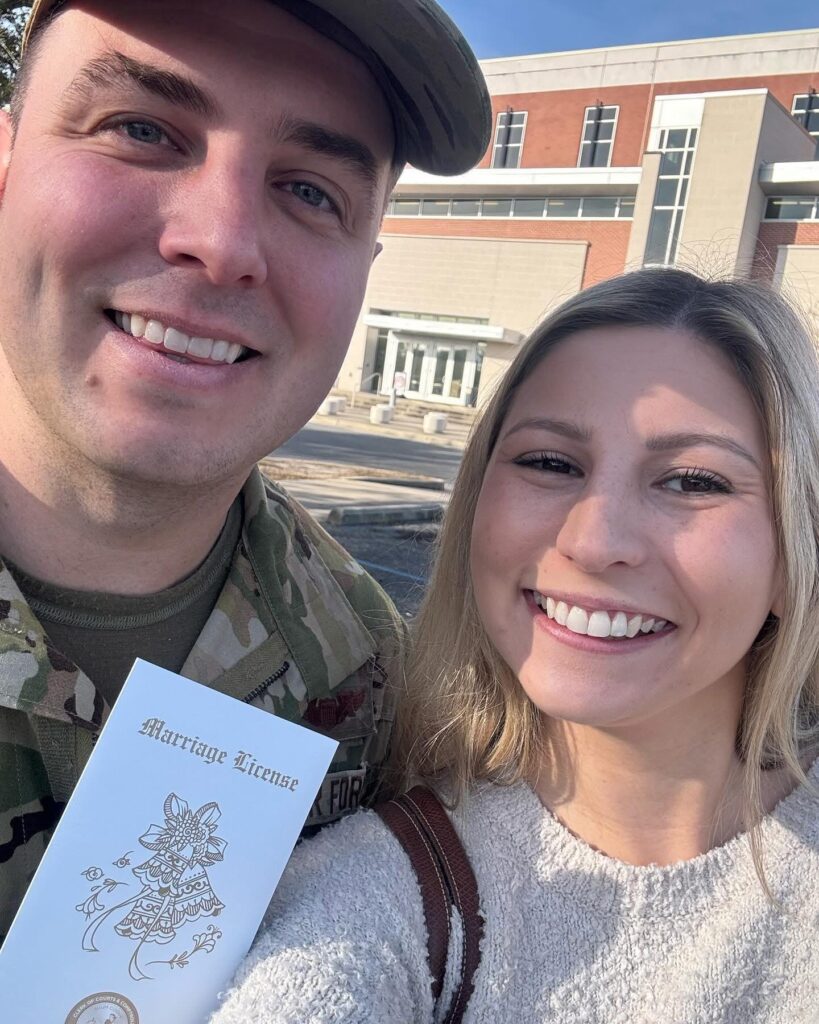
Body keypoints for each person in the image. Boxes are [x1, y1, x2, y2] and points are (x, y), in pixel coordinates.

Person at [0, 0, 491, 942]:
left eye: (310, 191)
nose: (222, 243)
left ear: (367, 265)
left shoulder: (372, 677)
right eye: (141, 130)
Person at [211, 268, 819, 1023]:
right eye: (550, 464)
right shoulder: (376, 906)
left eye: (692, 482)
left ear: (797, 555)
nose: (594, 542)